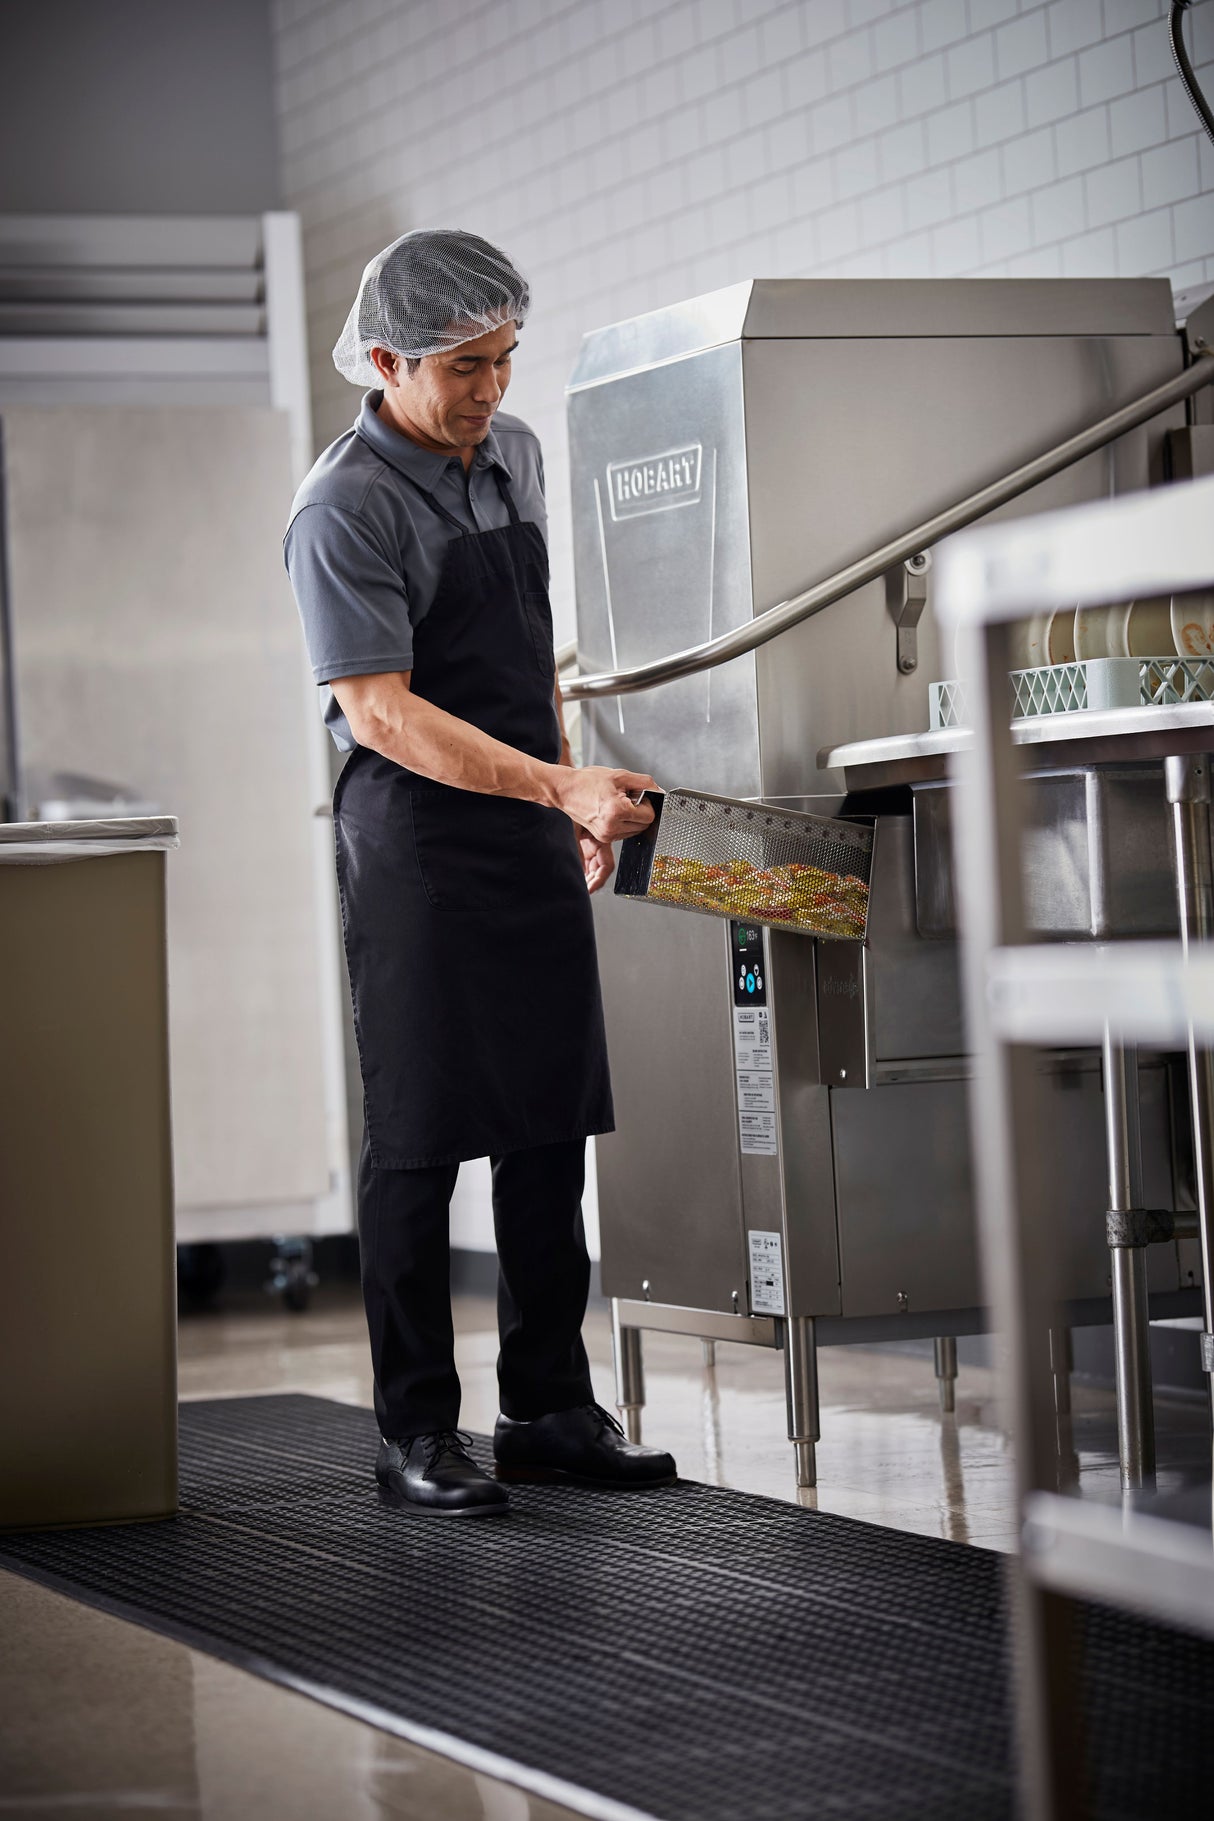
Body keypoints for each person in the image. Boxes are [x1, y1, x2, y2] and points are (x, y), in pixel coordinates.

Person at [284, 229, 677, 1516]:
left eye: (505, 359)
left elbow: (527, 650)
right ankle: (414, 1433)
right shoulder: (340, 506)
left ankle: (550, 1407)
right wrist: (554, 785)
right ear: (388, 360)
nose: (492, 390)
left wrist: (566, 783)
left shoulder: (513, 455)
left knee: (546, 1120)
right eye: (465, 366)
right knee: (421, 1134)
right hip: (412, 845)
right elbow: (382, 712)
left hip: (519, 820)